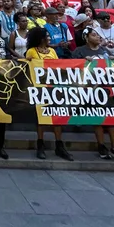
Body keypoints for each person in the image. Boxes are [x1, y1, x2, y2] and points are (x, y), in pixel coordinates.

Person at [72, 26, 114, 162]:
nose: (98, 37)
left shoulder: (104, 50)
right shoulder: (80, 51)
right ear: (87, 37)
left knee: (113, 118)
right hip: (91, 90)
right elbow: (73, 68)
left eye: (98, 35)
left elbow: (113, 63)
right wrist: (85, 62)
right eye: (94, 35)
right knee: (98, 119)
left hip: (108, 89)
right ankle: (101, 145)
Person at [25, 27, 73, 161]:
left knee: (56, 117)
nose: (49, 38)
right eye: (47, 36)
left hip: (54, 87)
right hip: (39, 88)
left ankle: (59, 145)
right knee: (41, 118)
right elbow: (26, 68)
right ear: (41, 38)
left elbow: (58, 66)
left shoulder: (52, 51)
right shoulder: (31, 51)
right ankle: (40, 144)